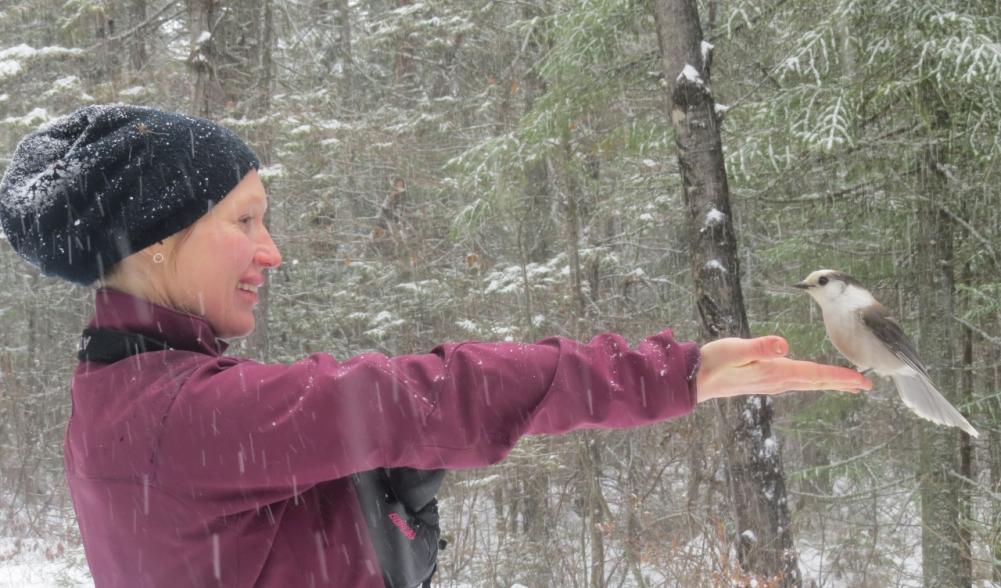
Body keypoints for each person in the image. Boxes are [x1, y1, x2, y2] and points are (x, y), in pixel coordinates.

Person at [0, 105, 871, 588]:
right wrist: (674, 372)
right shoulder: (173, 417)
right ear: (155, 241)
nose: (272, 250)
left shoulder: (132, 390)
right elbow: (411, 396)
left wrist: (365, 522)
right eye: (245, 220)